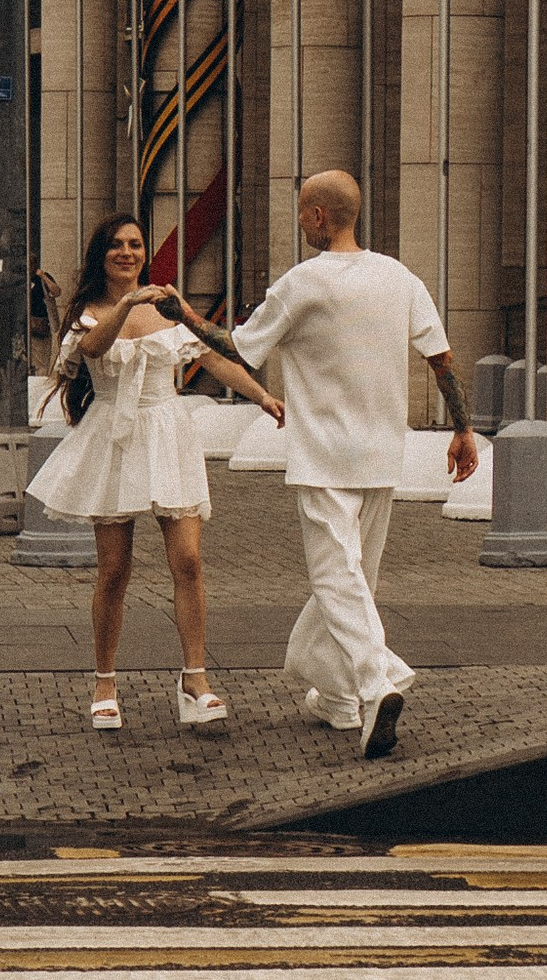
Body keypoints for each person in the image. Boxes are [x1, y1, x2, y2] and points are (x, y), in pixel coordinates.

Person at [228, 168, 477, 760]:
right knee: (355, 582)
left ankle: (376, 682)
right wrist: (463, 428)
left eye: (300, 212)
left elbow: (235, 346)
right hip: (382, 454)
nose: (299, 221)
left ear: (317, 217)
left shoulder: (303, 283)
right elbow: (441, 360)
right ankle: (337, 701)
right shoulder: (400, 277)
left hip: (323, 458)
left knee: (335, 579)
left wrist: (183, 314)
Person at [25, 212, 284, 733]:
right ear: (102, 255)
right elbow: (92, 350)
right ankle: (104, 682)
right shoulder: (88, 314)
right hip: (112, 438)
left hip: (166, 431)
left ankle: (195, 679)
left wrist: (261, 396)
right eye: (117, 245)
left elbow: (213, 359)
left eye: (136, 244)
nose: (128, 253)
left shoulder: (167, 308)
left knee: (187, 560)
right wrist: (125, 305)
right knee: (114, 569)